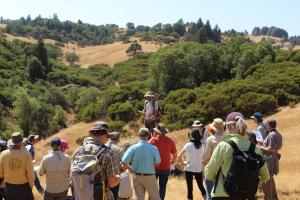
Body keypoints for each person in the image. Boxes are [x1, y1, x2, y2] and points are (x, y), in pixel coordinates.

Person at [205, 113, 270, 199]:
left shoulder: (223, 146)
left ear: (230, 127)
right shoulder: (255, 148)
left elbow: (209, 173)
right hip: (247, 196)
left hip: (223, 195)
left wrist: (222, 180)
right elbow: (266, 176)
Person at [72, 121, 121, 200]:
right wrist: (119, 178)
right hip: (101, 197)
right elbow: (112, 183)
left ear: (92, 135)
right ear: (105, 135)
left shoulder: (78, 152)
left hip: (80, 196)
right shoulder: (108, 154)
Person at [122, 128, 161, 200]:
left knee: (139, 198)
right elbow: (158, 163)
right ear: (148, 136)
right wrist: (149, 167)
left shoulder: (133, 148)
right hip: (150, 176)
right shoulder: (154, 148)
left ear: (139, 136)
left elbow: (124, 162)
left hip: (136, 176)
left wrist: (132, 171)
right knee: (155, 198)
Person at [0, 132, 35, 200]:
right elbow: (31, 175)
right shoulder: (27, 154)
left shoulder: (3, 154)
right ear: (21, 142)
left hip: (9, 188)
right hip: (23, 187)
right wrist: (30, 187)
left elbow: (0, 173)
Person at [149, 123, 177, 200]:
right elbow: (175, 156)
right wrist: (170, 163)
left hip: (154, 168)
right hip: (165, 168)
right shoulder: (170, 141)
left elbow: (146, 150)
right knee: (162, 187)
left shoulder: (152, 140)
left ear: (157, 132)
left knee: (152, 187)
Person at [178, 128, 206, 200]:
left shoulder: (188, 145)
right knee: (201, 187)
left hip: (188, 168)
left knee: (189, 189)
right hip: (198, 168)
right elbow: (205, 157)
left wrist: (183, 163)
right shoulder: (202, 146)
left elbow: (179, 156)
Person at [202, 118, 224, 200]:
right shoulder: (226, 138)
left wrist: (203, 162)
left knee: (210, 195)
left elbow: (205, 156)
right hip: (224, 170)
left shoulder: (210, 139)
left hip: (212, 170)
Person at [260, 119, 282, 200]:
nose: (266, 126)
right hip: (273, 161)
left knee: (266, 182)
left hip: (268, 162)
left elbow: (271, 149)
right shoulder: (278, 134)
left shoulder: (272, 135)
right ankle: (274, 197)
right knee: (270, 180)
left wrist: (260, 147)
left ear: (269, 125)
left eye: (266, 124)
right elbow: (279, 147)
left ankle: (268, 198)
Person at [106, 132, 125, 200]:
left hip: (102, 176)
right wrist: (122, 171)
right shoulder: (119, 149)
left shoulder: (103, 146)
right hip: (114, 176)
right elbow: (124, 163)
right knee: (114, 194)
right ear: (118, 139)